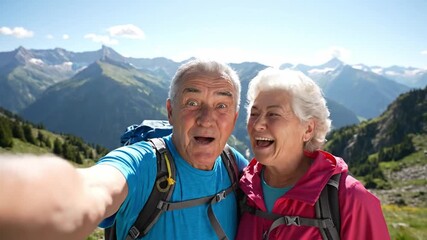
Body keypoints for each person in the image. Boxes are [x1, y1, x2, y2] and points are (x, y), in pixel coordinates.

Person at [0, 59, 248, 240]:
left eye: (221, 105)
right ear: (171, 112)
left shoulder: (233, 164)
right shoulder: (143, 164)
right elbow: (91, 188)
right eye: (192, 103)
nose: (206, 118)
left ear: (235, 119)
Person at [236, 68, 390, 239]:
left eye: (273, 114)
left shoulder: (350, 198)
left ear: (308, 129)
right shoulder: (240, 187)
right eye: (254, 113)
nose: (257, 125)